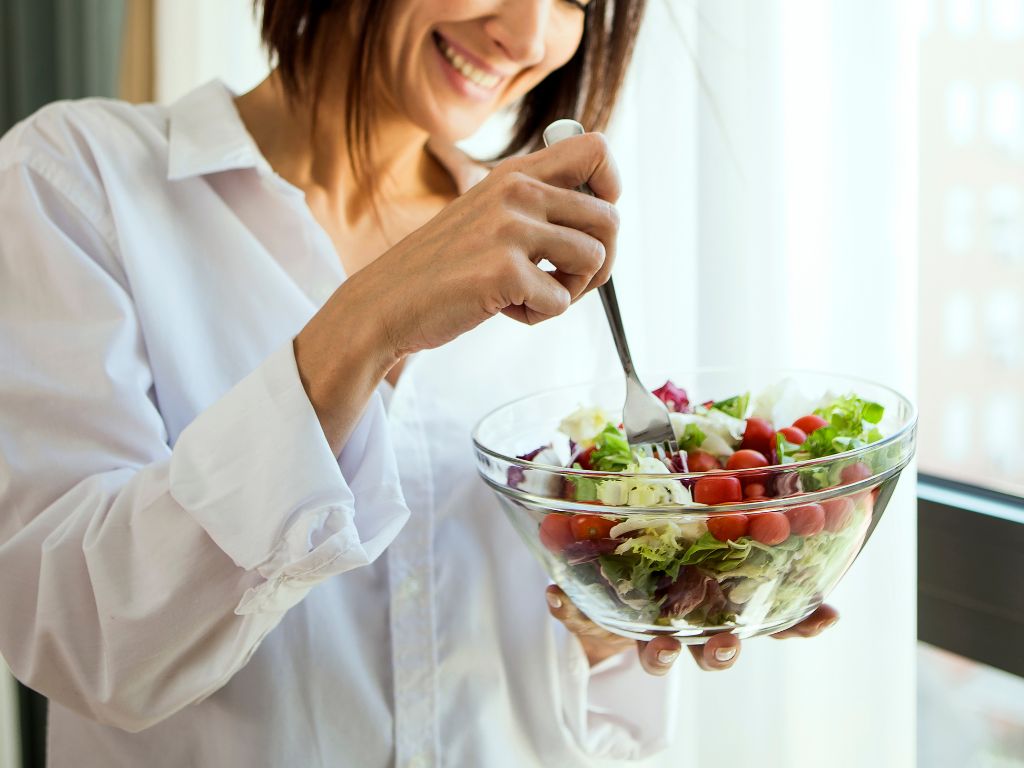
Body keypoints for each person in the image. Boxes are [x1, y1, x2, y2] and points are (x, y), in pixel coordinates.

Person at [0, 1, 836, 765]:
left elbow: (594, 724)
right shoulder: (75, 181)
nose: (531, 35)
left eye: (576, 0)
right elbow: (82, 641)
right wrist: (366, 323)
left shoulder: (551, 245)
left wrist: (608, 619)